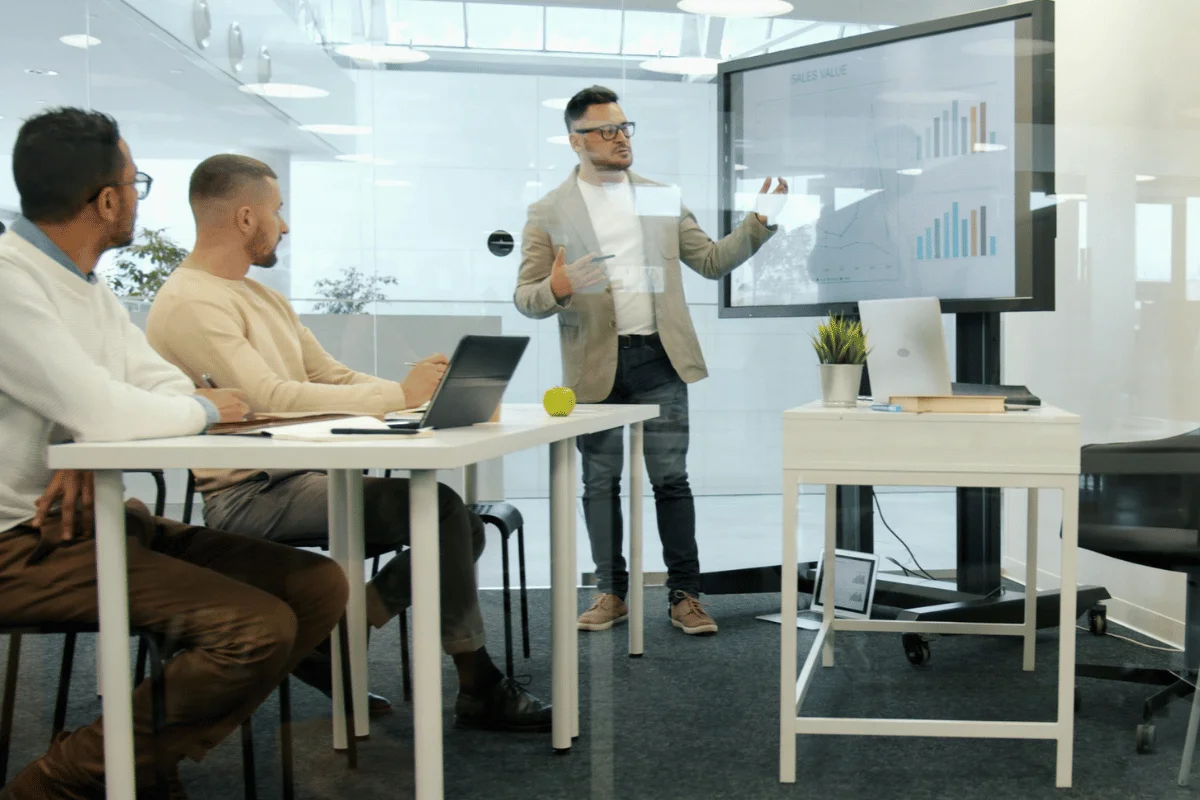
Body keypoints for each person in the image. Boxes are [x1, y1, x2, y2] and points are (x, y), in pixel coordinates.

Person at [0, 108, 349, 800]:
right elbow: (115, 407)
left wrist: (94, 433)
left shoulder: (87, 286)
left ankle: (137, 759)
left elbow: (156, 385)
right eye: (136, 184)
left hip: (89, 522)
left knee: (316, 585)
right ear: (107, 201)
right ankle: (60, 781)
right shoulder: (11, 281)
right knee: (255, 629)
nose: (138, 198)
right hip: (19, 541)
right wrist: (138, 420)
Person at [145, 154, 551, 732]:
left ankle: (339, 631)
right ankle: (476, 682)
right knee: (440, 513)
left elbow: (330, 376)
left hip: (308, 476)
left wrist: (416, 397)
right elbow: (267, 397)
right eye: (277, 211)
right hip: (251, 492)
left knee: (459, 524)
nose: (285, 225)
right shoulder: (190, 301)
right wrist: (398, 396)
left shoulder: (263, 298)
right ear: (245, 218)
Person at [514, 85, 788, 636]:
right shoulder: (548, 211)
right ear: (576, 141)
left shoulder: (661, 197)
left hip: (660, 361)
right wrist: (558, 287)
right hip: (593, 367)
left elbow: (711, 261)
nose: (620, 138)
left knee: (671, 480)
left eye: (624, 127)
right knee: (599, 483)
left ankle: (685, 594)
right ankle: (610, 592)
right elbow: (526, 297)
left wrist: (759, 220)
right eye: (606, 130)